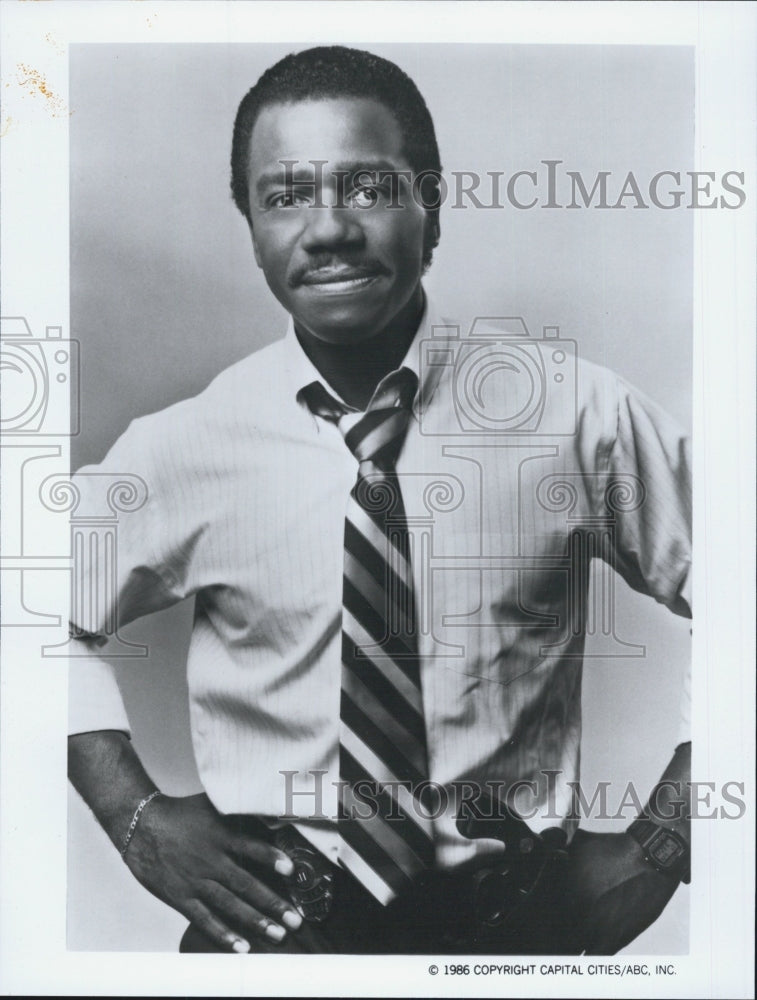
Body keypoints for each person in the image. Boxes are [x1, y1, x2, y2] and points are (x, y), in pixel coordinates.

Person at [67, 45, 692, 955]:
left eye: (367, 188)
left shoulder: (577, 417)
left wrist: (667, 841)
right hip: (276, 933)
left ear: (428, 208)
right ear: (249, 224)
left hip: (517, 930)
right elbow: (30, 609)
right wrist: (131, 814)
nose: (328, 230)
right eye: (285, 195)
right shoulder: (185, 446)